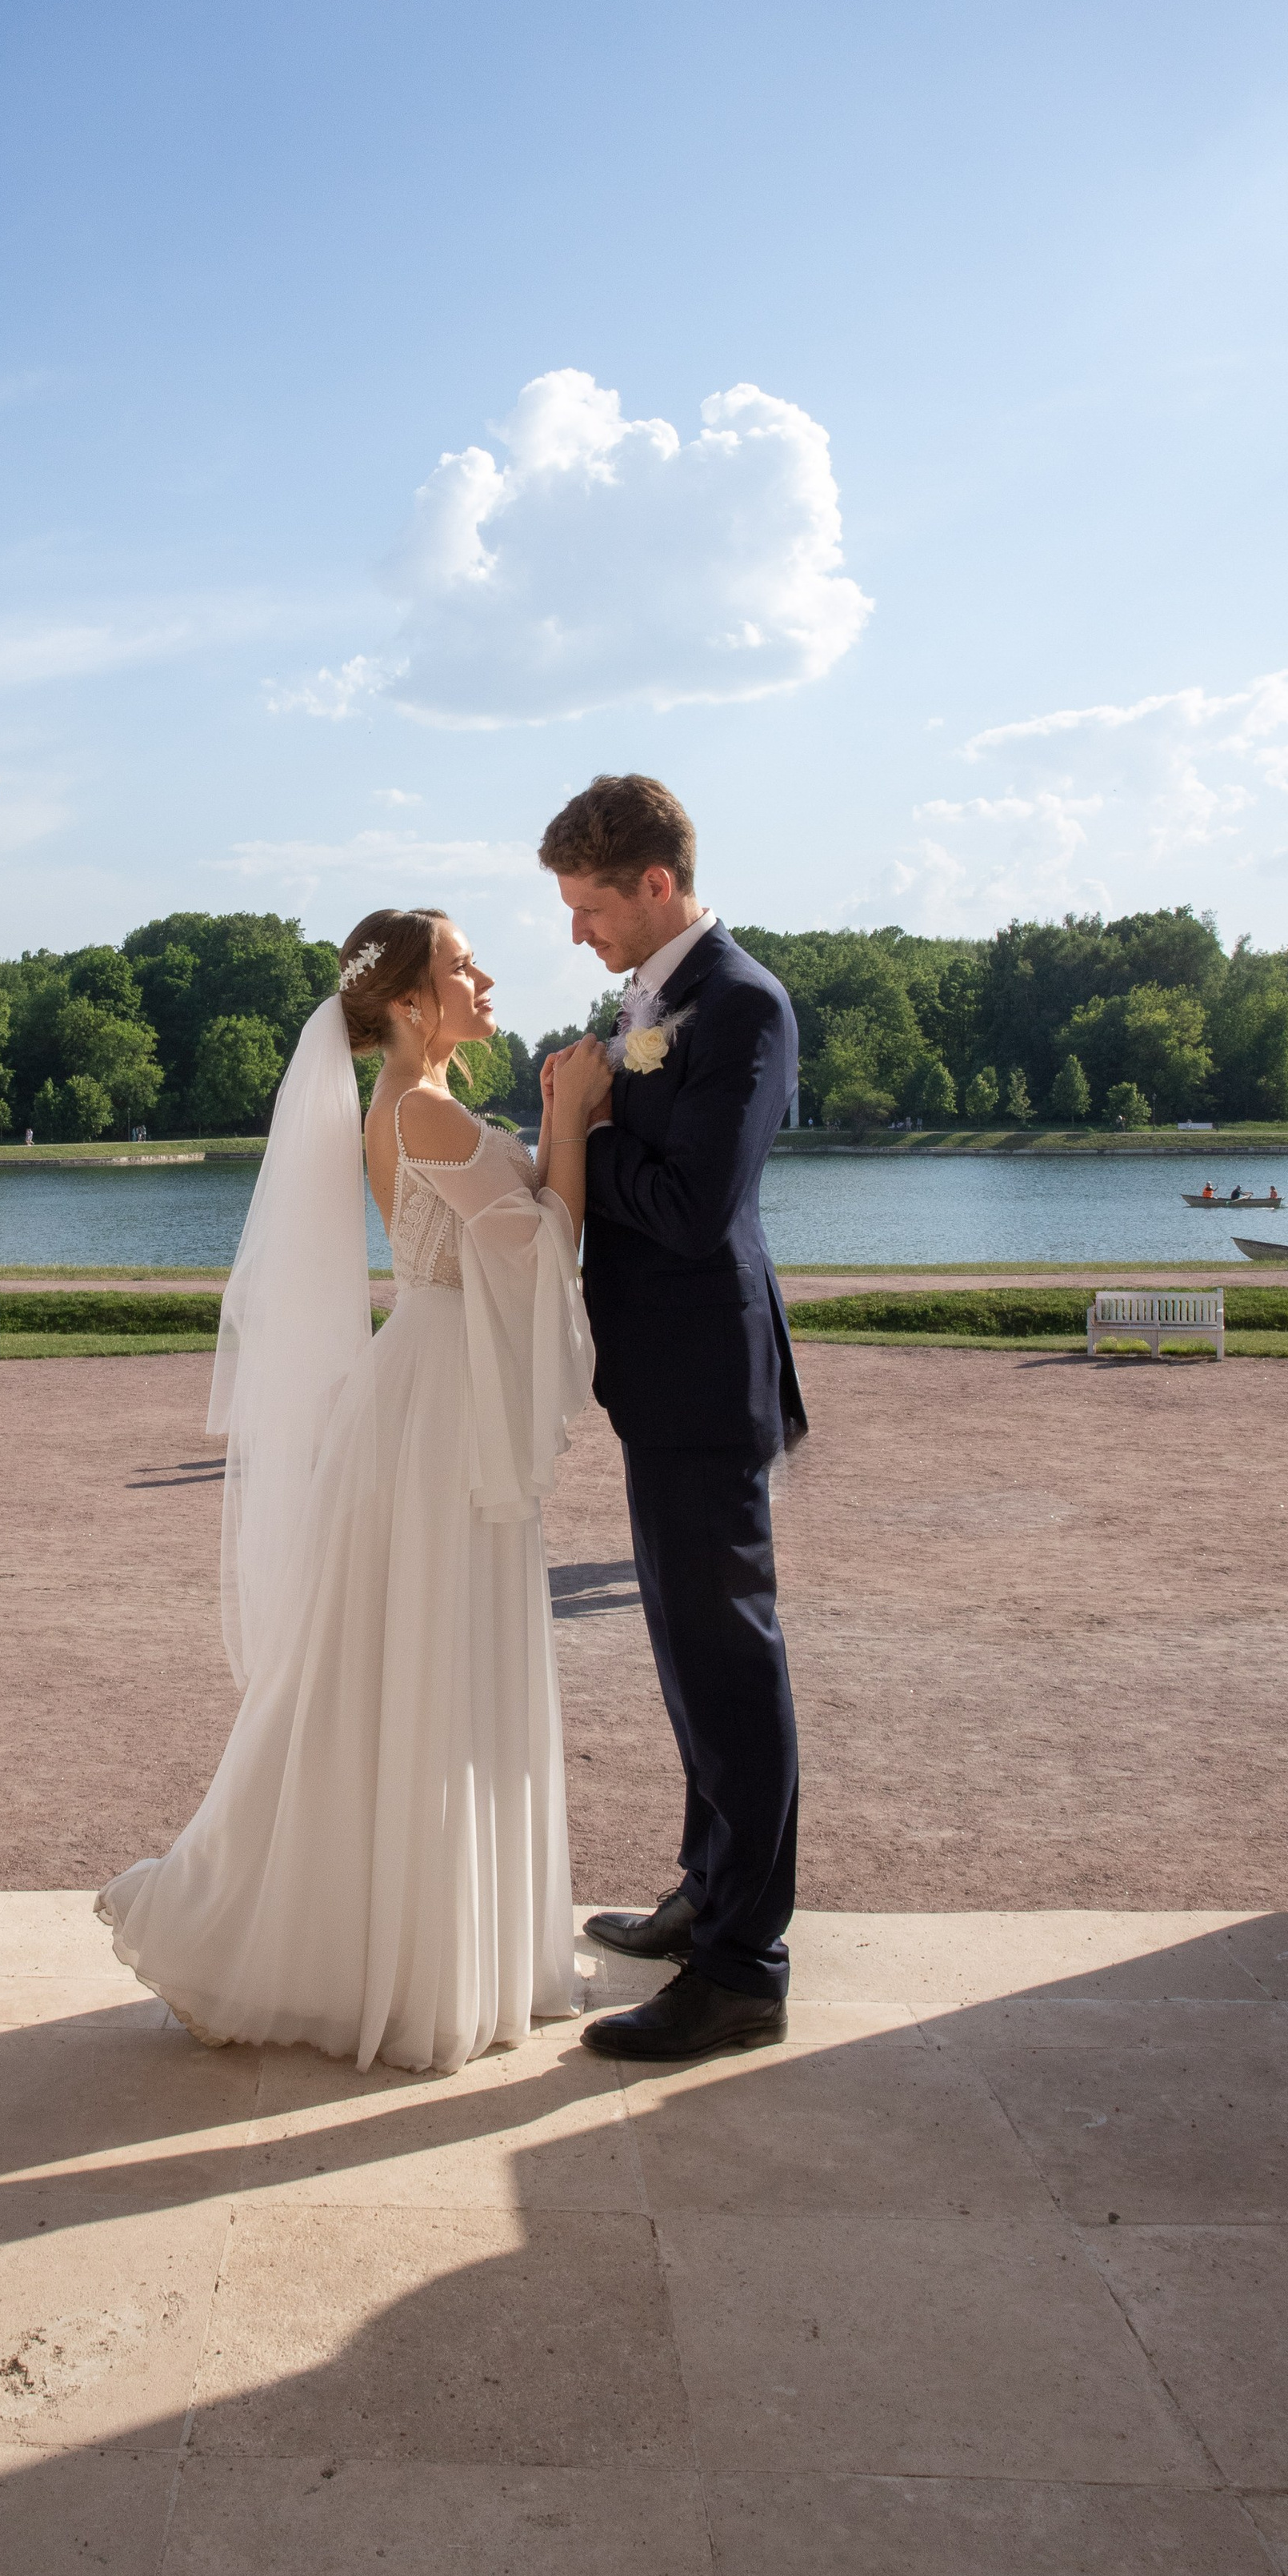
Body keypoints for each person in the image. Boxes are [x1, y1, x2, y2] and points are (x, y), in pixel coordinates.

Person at [99, 909, 601, 2073]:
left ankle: (397, 1946)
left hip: (426, 1389)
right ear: (413, 1004)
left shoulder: (412, 1106)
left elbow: (516, 1235)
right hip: (435, 1407)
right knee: (424, 1652)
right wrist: (571, 1121)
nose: (483, 976)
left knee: (401, 1657)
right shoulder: (421, 1109)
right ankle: (393, 1959)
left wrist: (557, 1126)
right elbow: (545, 1252)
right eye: (461, 965)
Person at [538, 774, 806, 2065]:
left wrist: (587, 1128)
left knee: (730, 1666)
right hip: (664, 1382)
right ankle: (707, 1887)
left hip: (708, 1379)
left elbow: (697, 1209)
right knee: (687, 1658)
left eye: (590, 907)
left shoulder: (745, 1005)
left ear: (656, 885)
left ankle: (744, 1969)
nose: (578, 931)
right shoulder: (652, 1003)